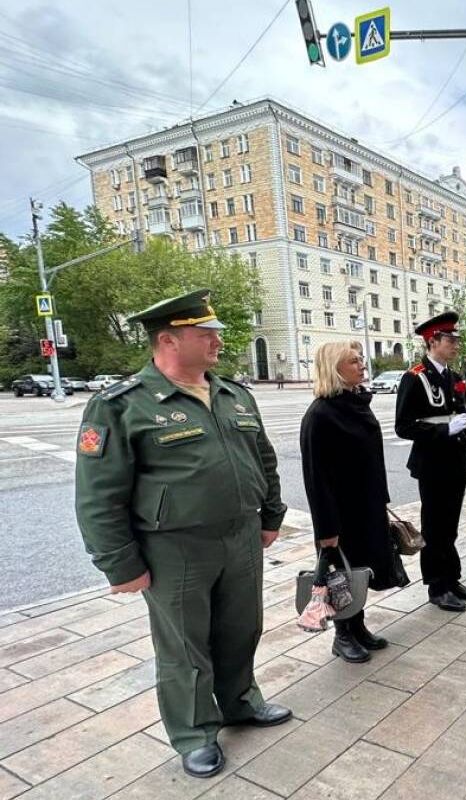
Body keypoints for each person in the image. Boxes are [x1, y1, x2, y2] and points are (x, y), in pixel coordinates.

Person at [74, 289, 291, 779]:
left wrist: (271, 514)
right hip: (174, 546)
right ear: (168, 340)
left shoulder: (233, 393)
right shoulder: (121, 405)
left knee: (241, 629)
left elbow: (264, 459)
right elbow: (98, 494)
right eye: (205, 333)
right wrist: (119, 563)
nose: (217, 340)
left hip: (240, 536)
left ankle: (240, 702)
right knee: (184, 647)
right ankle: (195, 733)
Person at [300, 340, 398, 664]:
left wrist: (380, 500)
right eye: (354, 361)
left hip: (367, 506)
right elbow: (317, 480)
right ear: (334, 368)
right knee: (341, 574)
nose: (362, 365)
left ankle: (358, 625)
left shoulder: (357, 403)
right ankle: (343, 635)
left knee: (361, 571)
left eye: (360, 360)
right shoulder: (320, 415)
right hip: (340, 516)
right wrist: (327, 530)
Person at [394, 312, 466, 613]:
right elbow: (403, 426)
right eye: (450, 340)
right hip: (432, 463)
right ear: (433, 341)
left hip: (455, 460)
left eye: (457, 339)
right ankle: (436, 586)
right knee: (435, 527)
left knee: (451, 527)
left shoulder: (454, 377)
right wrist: (444, 429)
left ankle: (451, 578)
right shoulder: (415, 377)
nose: (456, 345)